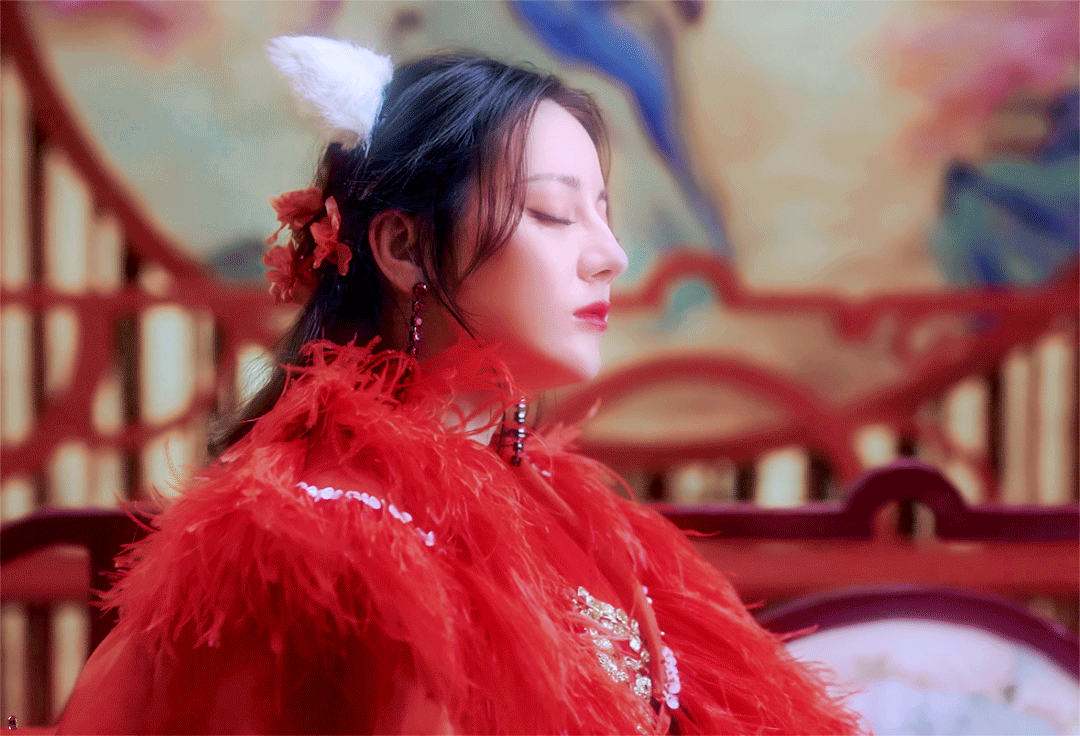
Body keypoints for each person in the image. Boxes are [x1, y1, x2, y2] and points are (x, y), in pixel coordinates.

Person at [57, 37, 865, 735]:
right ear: (404, 248)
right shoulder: (325, 543)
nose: (610, 255)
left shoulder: (564, 511)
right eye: (554, 214)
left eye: (602, 212)